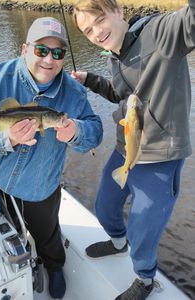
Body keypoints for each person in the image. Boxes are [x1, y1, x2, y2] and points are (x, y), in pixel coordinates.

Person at [0, 17, 103, 299]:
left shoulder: (74, 93)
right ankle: (19, 258)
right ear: (24, 49)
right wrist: (4, 138)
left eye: (58, 53)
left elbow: (95, 133)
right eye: (41, 50)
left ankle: (54, 267)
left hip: (41, 187)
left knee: (48, 234)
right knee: (9, 230)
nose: (49, 60)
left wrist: (77, 131)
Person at [72, 1, 195, 299]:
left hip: (160, 158)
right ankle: (117, 242)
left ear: (118, 11)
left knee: (143, 228)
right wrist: (91, 80)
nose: (96, 32)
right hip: (125, 148)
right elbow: (120, 93)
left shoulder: (162, 32)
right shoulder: (115, 54)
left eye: (99, 20)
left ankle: (144, 278)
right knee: (105, 206)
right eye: (87, 31)